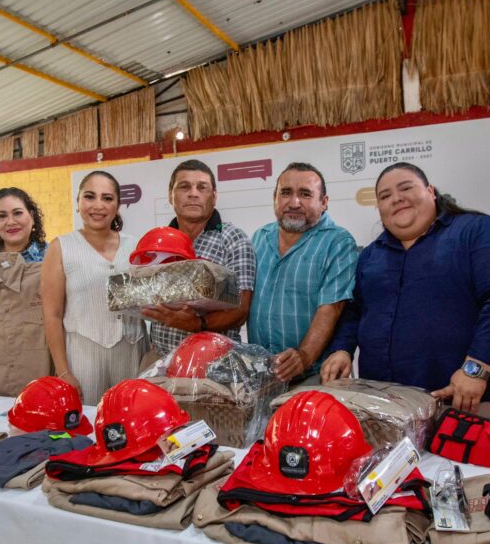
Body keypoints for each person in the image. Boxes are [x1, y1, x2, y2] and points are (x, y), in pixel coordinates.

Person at [321, 162, 490, 416]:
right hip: (393, 407)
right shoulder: (370, 255)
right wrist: (342, 349)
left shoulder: (477, 231)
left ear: (431, 191)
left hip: (472, 398)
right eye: (385, 196)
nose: (396, 199)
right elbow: (355, 311)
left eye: (406, 188)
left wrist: (476, 369)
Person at [41, 171, 149, 406]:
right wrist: (63, 372)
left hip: (132, 353)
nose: (98, 205)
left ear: (118, 205)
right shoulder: (62, 247)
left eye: (107, 198)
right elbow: (52, 314)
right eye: (90, 197)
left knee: (131, 420)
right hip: (82, 358)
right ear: (78, 202)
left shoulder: (137, 245)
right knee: (87, 426)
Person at [248, 162, 358, 383]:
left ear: (324, 202)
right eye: (286, 193)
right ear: (275, 198)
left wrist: (304, 356)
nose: (294, 203)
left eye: (305, 194)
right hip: (262, 378)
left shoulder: (338, 242)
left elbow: (332, 307)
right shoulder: (259, 237)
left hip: (315, 376)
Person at [142, 159, 255, 358]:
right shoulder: (157, 242)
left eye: (202, 187)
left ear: (214, 196)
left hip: (213, 363)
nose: (193, 193)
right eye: (184, 187)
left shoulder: (233, 239)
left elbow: (241, 310)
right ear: (170, 196)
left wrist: (196, 324)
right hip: (159, 359)